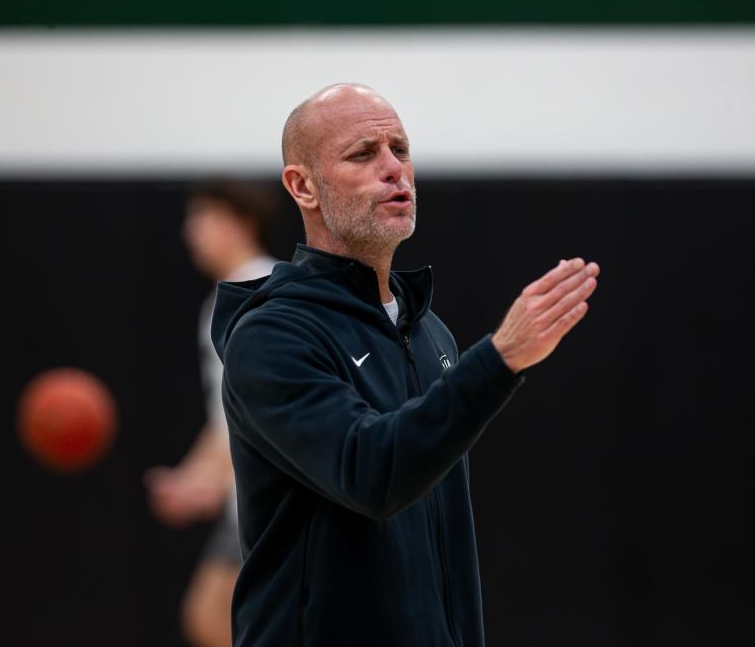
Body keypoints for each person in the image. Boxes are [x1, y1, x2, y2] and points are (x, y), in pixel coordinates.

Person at [210, 84, 601, 646]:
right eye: (362, 153)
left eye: (401, 149)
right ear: (302, 187)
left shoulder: (426, 328)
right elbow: (372, 473)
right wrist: (498, 359)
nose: (394, 169)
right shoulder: (272, 335)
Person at [145, 182, 277, 647]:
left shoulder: (258, 292)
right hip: (247, 496)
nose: (190, 232)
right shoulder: (224, 298)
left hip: (271, 496)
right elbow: (227, 413)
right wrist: (193, 476)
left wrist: (210, 478)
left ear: (240, 223)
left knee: (213, 615)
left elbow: (259, 406)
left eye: (201, 219)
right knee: (216, 618)